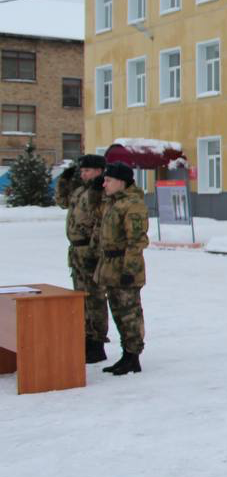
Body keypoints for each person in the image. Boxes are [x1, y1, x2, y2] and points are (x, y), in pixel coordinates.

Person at [94, 162, 150, 375]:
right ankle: (126, 354)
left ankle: (133, 356)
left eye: (108, 180)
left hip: (125, 266)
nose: (104, 184)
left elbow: (136, 241)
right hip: (110, 266)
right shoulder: (113, 202)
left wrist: (129, 270)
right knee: (117, 311)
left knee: (129, 313)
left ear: (121, 182)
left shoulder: (132, 204)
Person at [64, 153, 110, 363]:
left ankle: (97, 342)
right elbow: (62, 201)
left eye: (87, 171)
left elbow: (100, 224)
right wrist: (65, 180)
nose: (83, 174)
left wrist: (94, 252)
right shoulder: (81, 190)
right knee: (81, 297)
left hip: (90, 251)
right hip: (76, 251)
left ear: (99, 171)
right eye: (82, 171)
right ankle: (85, 337)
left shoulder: (100, 191)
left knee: (95, 298)